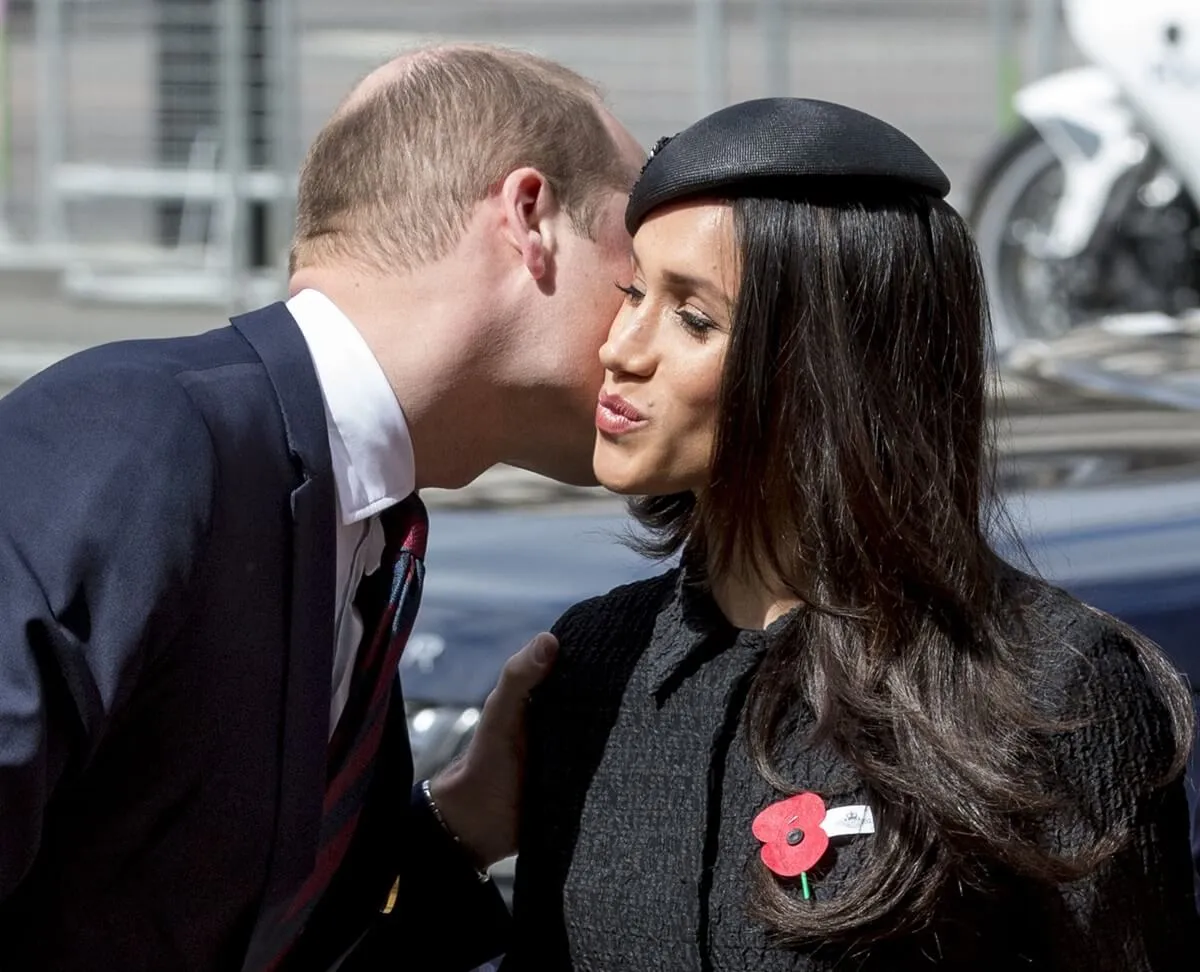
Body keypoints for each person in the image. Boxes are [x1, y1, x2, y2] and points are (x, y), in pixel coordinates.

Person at [503, 98, 1199, 970]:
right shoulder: (592, 664)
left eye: (693, 317)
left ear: (828, 370)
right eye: (635, 291)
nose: (622, 349)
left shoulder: (1057, 693)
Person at [0, 44, 644, 971]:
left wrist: (459, 821)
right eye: (637, 271)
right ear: (530, 218)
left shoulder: (362, 522)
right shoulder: (141, 433)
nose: (647, 326)